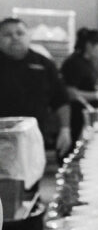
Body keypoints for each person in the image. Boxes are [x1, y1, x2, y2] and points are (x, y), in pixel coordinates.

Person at [0, 18, 72, 156]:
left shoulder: (44, 64)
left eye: (20, 33)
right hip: (1, 140)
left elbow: (60, 99)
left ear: (28, 36)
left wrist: (65, 129)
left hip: (34, 138)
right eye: (7, 35)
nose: (14, 38)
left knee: (32, 177)